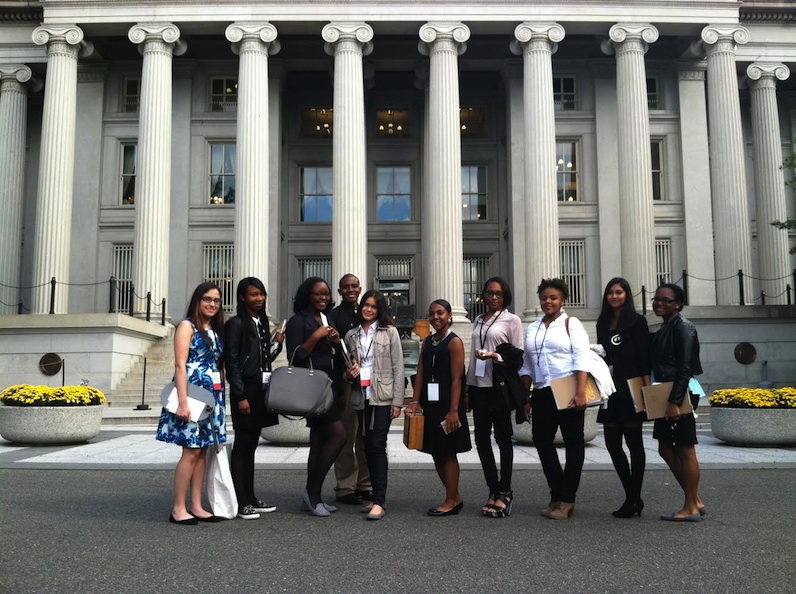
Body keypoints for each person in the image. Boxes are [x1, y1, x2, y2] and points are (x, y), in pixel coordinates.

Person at [156, 282, 227, 525]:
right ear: (197, 300)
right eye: (207, 299)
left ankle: (196, 505)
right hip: (192, 396)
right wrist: (183, 402)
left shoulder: (214, 328)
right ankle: (178, 508)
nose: (212, 304)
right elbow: (180, 365)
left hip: (212, 397)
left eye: (216, 301)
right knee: (190, 451)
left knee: (203, 451)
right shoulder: (187, 326)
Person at [519, 278, 589, 520]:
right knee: (541, 440)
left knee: (573, 443)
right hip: (541, 391)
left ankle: (567, 499)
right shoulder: (534, 327)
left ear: (563, 300)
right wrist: (524, 396)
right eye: (544, 298)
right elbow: (527, 364)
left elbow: (581, 358)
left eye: (553, 298)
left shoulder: (572, 324)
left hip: (567, 387)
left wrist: (581, 392)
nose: (548, 302)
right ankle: (557, 493)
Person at [285, 276, 347, 517]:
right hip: (312, 387)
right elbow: (294, 356)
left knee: (319, 442)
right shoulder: (297, 321)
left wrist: (336, 341)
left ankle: (312, 496)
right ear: (306, 295)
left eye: (326, 294)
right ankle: (312, 493)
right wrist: (316, 336)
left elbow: (335, 354)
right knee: (339, 435)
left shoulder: (326, 319)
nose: (323, 298)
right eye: (317, 294)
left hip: (329, 384)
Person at [224, 277, 284, 520]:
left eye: (262, 294)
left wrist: (277, 345)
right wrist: (240, 396)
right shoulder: (236, 324)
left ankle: (250, 497)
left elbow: (263, 358)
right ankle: (240, 502)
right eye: (253, 295)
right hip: (245, 391)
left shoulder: (260, 322)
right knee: (242, 446)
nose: (259, 299)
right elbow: (233, 362)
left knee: (251, 446)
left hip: (261, 389)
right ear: (242, 297)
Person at [405, 299, 471, 516]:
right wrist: (415, 400)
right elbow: (421, 372)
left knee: (448, 452)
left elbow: (456, 379)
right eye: (432, 313)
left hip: (447, 404)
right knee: (435, 451)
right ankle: (454, 496)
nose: (435, 317)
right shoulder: (428, 341)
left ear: (449, 315)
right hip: (430, 403)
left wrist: (453, 410)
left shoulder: (454, 342)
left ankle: (451, 500)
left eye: (440, 313)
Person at [465, 277, 524, 518]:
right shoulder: (478, 320)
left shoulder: (512, 320)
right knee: (481, 440)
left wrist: (495, 357)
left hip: (499, 387)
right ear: (484, 295)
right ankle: (493, 488)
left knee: (503, 439)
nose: (494, 297)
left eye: (499, 293)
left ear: (505, 296)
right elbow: (472, 357)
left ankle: (506, 491)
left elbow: (517, 358)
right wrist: (468, 389)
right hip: (479, 387)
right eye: (490, 293)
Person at [343, 290, 404, 520]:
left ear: (380, 310)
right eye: (365, 305)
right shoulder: (351, 335)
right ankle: (376, 498)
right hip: (361, 396)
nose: (368, 309)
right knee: (367, 445)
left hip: (383, 395)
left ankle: (380, 501)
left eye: (373, 306)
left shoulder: (390, 333)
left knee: (377, 444)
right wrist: (349, 374)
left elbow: (398, 367)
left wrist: (398, 401)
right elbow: (347, 370)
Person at [650, 283, 706, 522]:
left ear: (678, 304)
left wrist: (674, 401)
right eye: (656, 299)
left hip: (679, 393)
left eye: (666, 300)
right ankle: (695, 500)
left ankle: (691, 506)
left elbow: (685, 366)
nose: (659, 303)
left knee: (685, 448)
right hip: (666, 392)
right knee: (665, 447)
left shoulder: (683, 326)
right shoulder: (666, 327)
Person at [596, 277, 650, 518]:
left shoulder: (637, 322)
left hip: (631, 388)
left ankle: (632, 498)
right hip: (609, 390)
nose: (614, 296)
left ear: (627, 295)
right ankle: (633, 496)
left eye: (619, 292)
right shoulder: (603, 322)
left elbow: (644, 359)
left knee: (635, 445)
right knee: (612, 444)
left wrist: (646, 391)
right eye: (611, 292)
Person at [328, 273, 372, 505]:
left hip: (369, 385)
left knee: (365, 437)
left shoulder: (368, 313)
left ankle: (364, 484)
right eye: (346, 287)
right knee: (346, 438)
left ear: (360, 288)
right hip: (346, 384)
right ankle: (345, 487)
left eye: (354, 286)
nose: (350, 290)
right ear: (340, 291)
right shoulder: (333, 316)